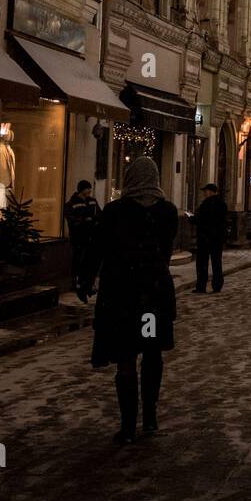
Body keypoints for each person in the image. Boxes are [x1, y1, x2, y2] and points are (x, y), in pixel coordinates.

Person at [89, 157, 178, 444]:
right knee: (152, 354)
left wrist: (87, 279)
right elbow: (165, 252)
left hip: (121, 296)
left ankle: (127, 426)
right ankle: (150, 417)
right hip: (154, 295)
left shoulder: (114, 211)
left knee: (125, 357)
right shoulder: (168, 212)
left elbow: (99, 249)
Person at [63, 180, 100, 303]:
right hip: (79, 237)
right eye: (87, 189)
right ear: (81, 190)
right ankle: (76, 283)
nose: (89, 191)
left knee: (88, 261)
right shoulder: (72, 203)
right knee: (78, 259)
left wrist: (94, 221)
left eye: (89, 189)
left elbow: (100, 214)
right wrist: (83, 221)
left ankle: (86, 285)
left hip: (91, 236)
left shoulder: (92, 201)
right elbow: (70, 218)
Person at [188, 183, 227, 293]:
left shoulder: (207, 204)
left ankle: (201, 286)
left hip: (205, 237)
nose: (204, 193)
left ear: (210, 191)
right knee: (216, 263)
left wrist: (192, 218)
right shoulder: (222, 204)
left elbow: (203, 220)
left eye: (205, 191)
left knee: (202, 263)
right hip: (217, 238)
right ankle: (217, 285)